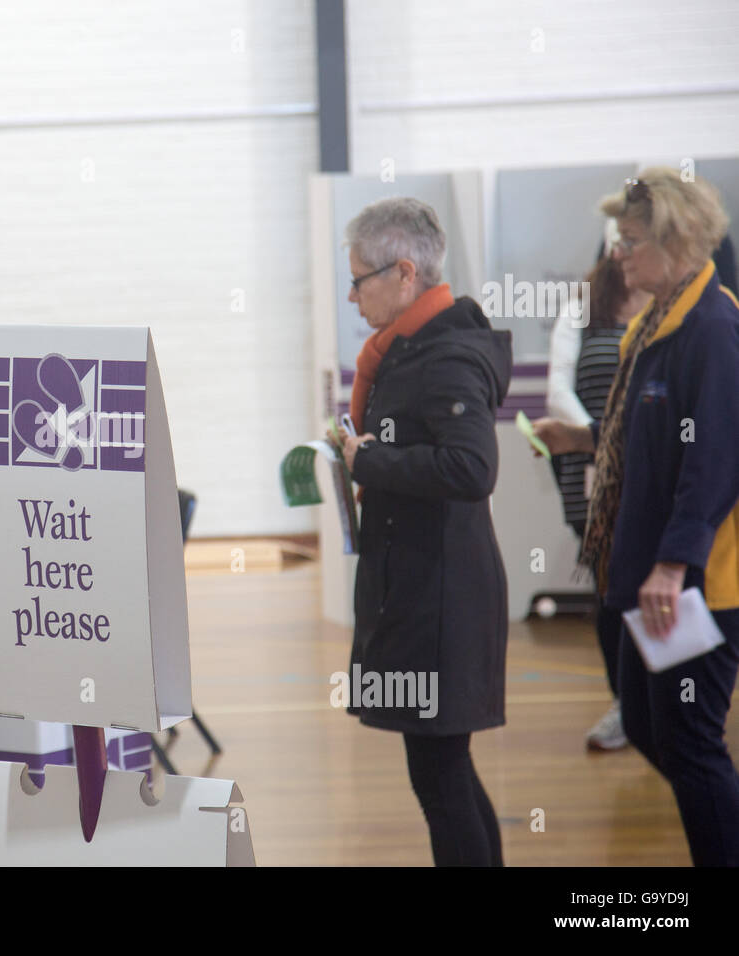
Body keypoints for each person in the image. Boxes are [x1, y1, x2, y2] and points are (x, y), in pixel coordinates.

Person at [533, 168, 739, 866]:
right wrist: (588, 439)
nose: (617, 255)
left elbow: (713, 461)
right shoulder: (653, 325)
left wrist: (674, 564)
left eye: (630, 242)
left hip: (691, 584)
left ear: (675, 241)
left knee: (688, 740)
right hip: (644, 574)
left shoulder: (713, 329)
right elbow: (651, 440)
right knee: (652, 730)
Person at [338, 197, 511, 866]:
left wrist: (369, 459)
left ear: (403, 272)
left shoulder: (445, 355)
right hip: (424, 587)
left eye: (359, 280)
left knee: (439, 777)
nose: (352, 298)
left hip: (443, 598)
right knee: (447, 772)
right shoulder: (410, 350)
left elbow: (471, 467)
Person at [545, 227, 650, 751]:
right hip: (591, 475)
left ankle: (665, 702)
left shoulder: (672, 309)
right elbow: (558, 387)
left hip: (654, 473)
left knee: (658, 589)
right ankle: (625, 705)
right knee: (609, 593)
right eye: (619, 247)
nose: (624, 257)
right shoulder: (581, 308)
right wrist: (601, 440)